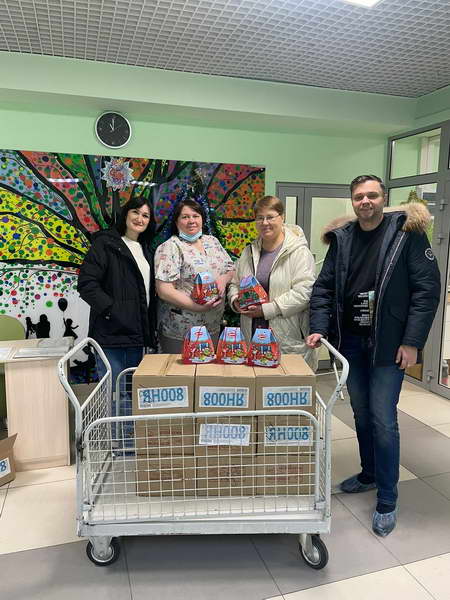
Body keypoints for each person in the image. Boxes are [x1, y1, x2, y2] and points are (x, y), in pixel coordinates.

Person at [306, 174, 441, 537]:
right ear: (352, 201)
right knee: (361, 413)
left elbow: (427, 290)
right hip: (350, 342)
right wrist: (319, 327)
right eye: (359, 197)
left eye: (372, 195)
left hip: (388, 344)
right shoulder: (343, 238)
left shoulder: (407, 234)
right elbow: (323, 288)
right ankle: (368, 474)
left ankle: (387, 499)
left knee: (383, 419)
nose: (365, 201)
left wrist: (412, 342)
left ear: (383, 198)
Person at [77, 197, 157, 388]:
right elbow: (87, 284)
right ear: (125, 214)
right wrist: (112, 311)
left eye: (145, 215)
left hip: (136, 336)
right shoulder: (105, 244)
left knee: (132, 394)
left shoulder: (147, 250)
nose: (140, 219)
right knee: (114, 394)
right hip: (110, 334)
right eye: (135, 212)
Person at [228, 195, 316, 367]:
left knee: (282, 382)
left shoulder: (299, 252)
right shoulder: (249, 252)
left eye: (270, 217)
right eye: (260, 218)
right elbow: (234, 283)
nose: (265, 223)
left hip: (286, 339)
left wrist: (266, 310)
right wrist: (235, 299)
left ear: (282, 217)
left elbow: (304, 293)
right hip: (252, 336)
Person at [155, 198, 235, 353]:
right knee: (179, 368)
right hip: (181, 330)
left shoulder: (212, 242)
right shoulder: (170, 247)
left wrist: (223, 279)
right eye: (185, 217)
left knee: (208, 368)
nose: (191, 220)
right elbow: (164, 290)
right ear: (176, 222)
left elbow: (231, 268)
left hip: (212, 326)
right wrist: (197, 307)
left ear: (202, 219)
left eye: (195, 216)